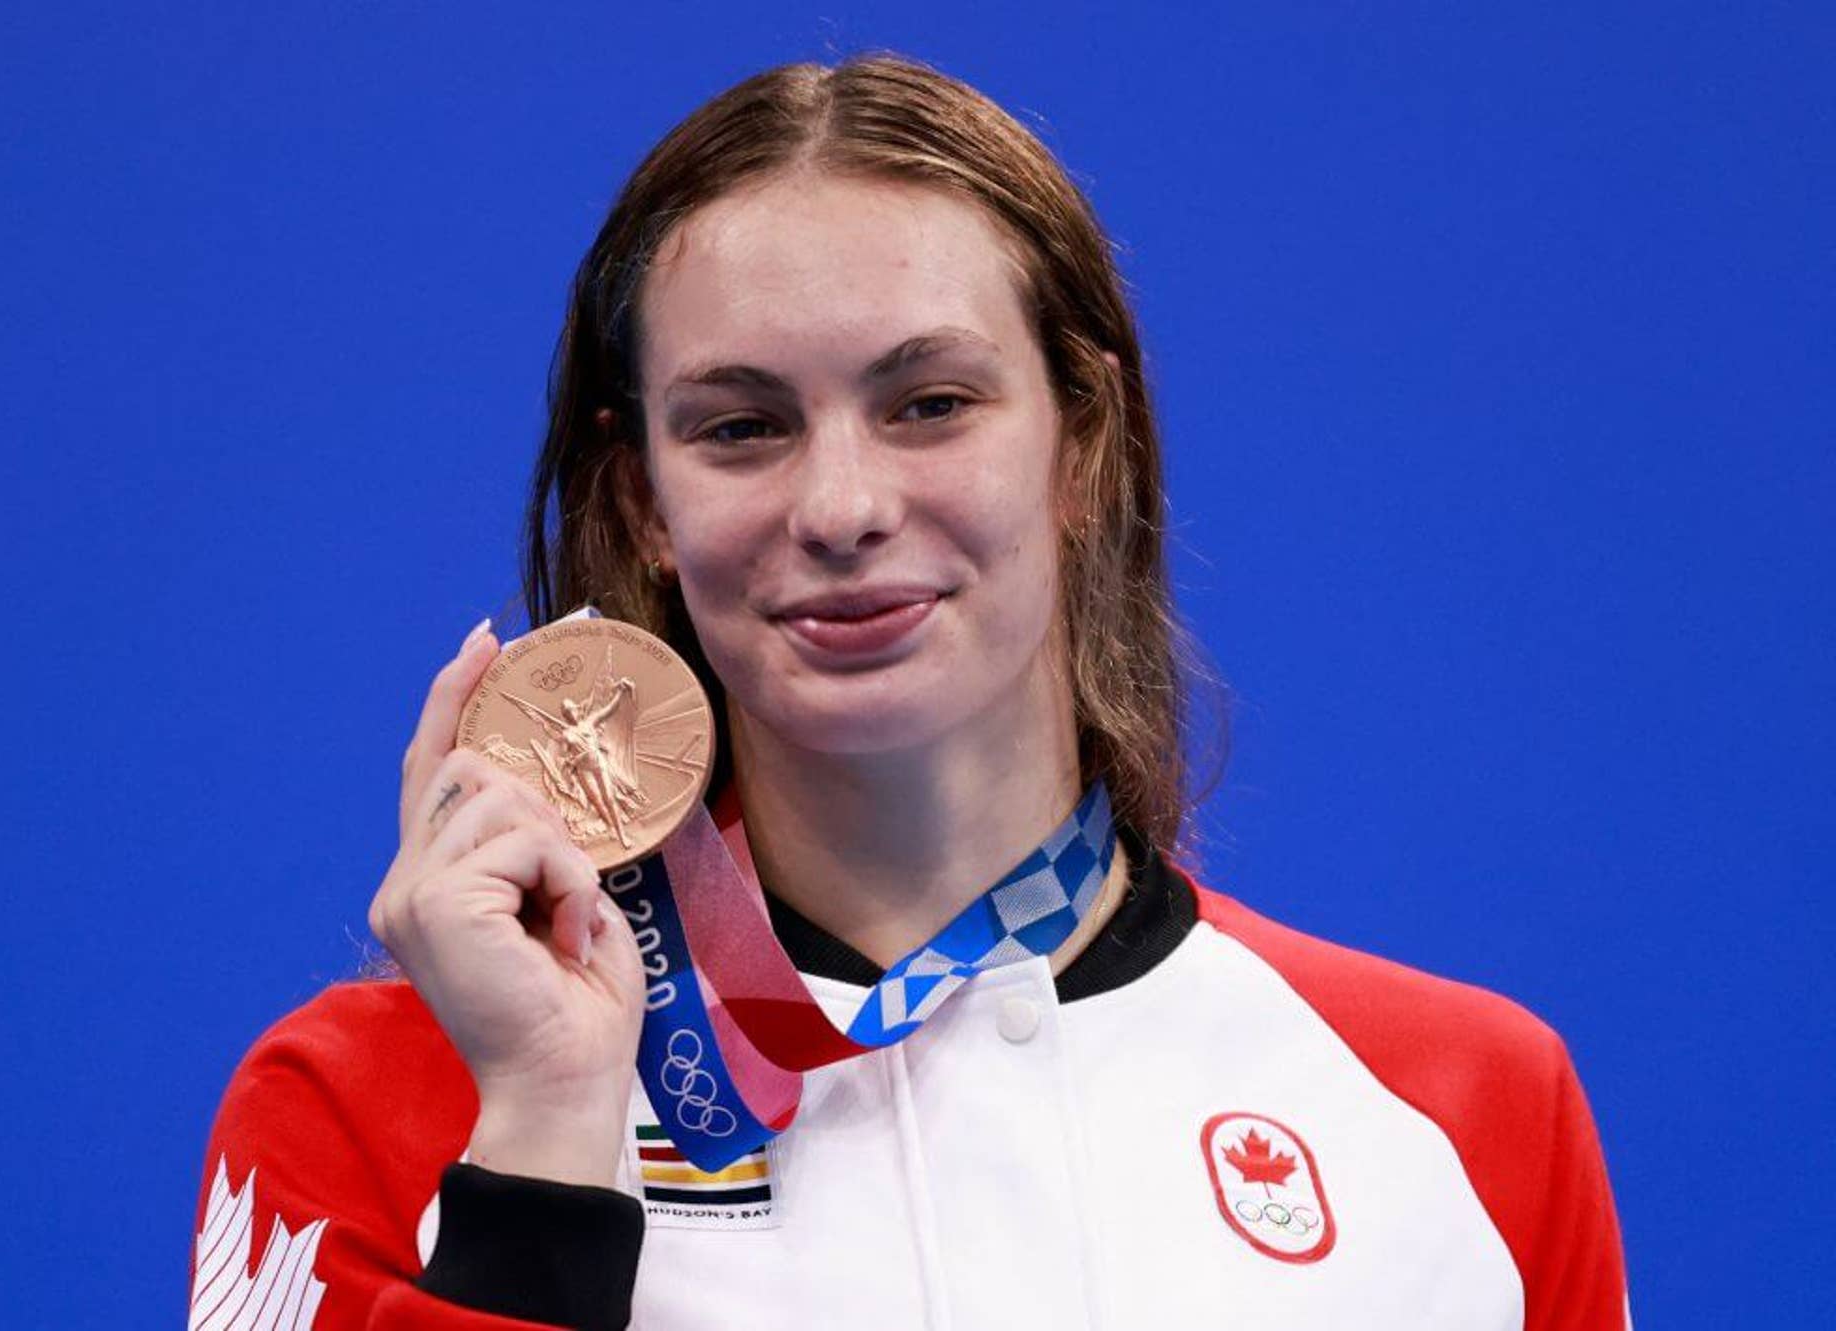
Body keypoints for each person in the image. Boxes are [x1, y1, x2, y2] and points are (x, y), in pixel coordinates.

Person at [189, 54, 1629, 1331]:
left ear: (1082, 444)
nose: (843, 503)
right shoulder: (370, 1102)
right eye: (742, 427)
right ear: (642, 503)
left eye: (930, 403)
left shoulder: (1462, 1109)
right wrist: (548, 1148)